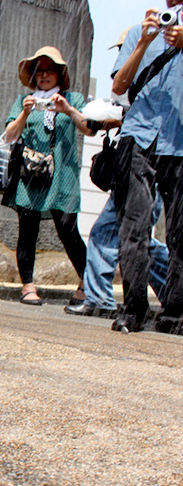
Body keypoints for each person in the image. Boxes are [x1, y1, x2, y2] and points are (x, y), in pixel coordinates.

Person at [64, 30, 170, 319]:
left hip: (148, 161)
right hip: (140, 161)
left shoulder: (154, 75)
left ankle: (100, 299)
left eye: (126, 49)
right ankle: (172, 294)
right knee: (136, 238)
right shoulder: (143, 78)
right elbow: (97, 121)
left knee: (112, 233)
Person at [109, 1, 183, 334]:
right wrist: (143, 43)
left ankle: (175, 313)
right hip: (138, 137)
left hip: (179, 142)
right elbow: (119, 86)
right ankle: (133, 308)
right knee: (133, 227)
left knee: (180, 232)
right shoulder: (140, 32)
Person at [2, 46, 94, 306]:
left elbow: (90, 129)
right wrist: (25, 112)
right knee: (27, 230)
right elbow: (9, 136)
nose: (43, 76)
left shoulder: (73, 99)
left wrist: (68, 110)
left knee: (68, 230)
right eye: (39, 71)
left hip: (64, 176)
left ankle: (87, 282)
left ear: (59, 74)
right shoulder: (24, 100)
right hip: (31, 176)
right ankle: (28, 286)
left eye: (49, 70)